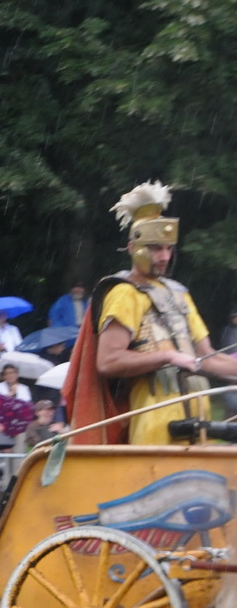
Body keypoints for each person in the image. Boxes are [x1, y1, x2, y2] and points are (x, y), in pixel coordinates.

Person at [64, 182, 237, 445]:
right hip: (154, 427)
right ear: (133, 248)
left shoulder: (178, 293)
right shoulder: (124, 293)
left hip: (200, 427)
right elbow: (108, 362)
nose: (165, 256)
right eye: (156, 247)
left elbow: (207, 358)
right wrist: (167, 356)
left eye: (168, 248)